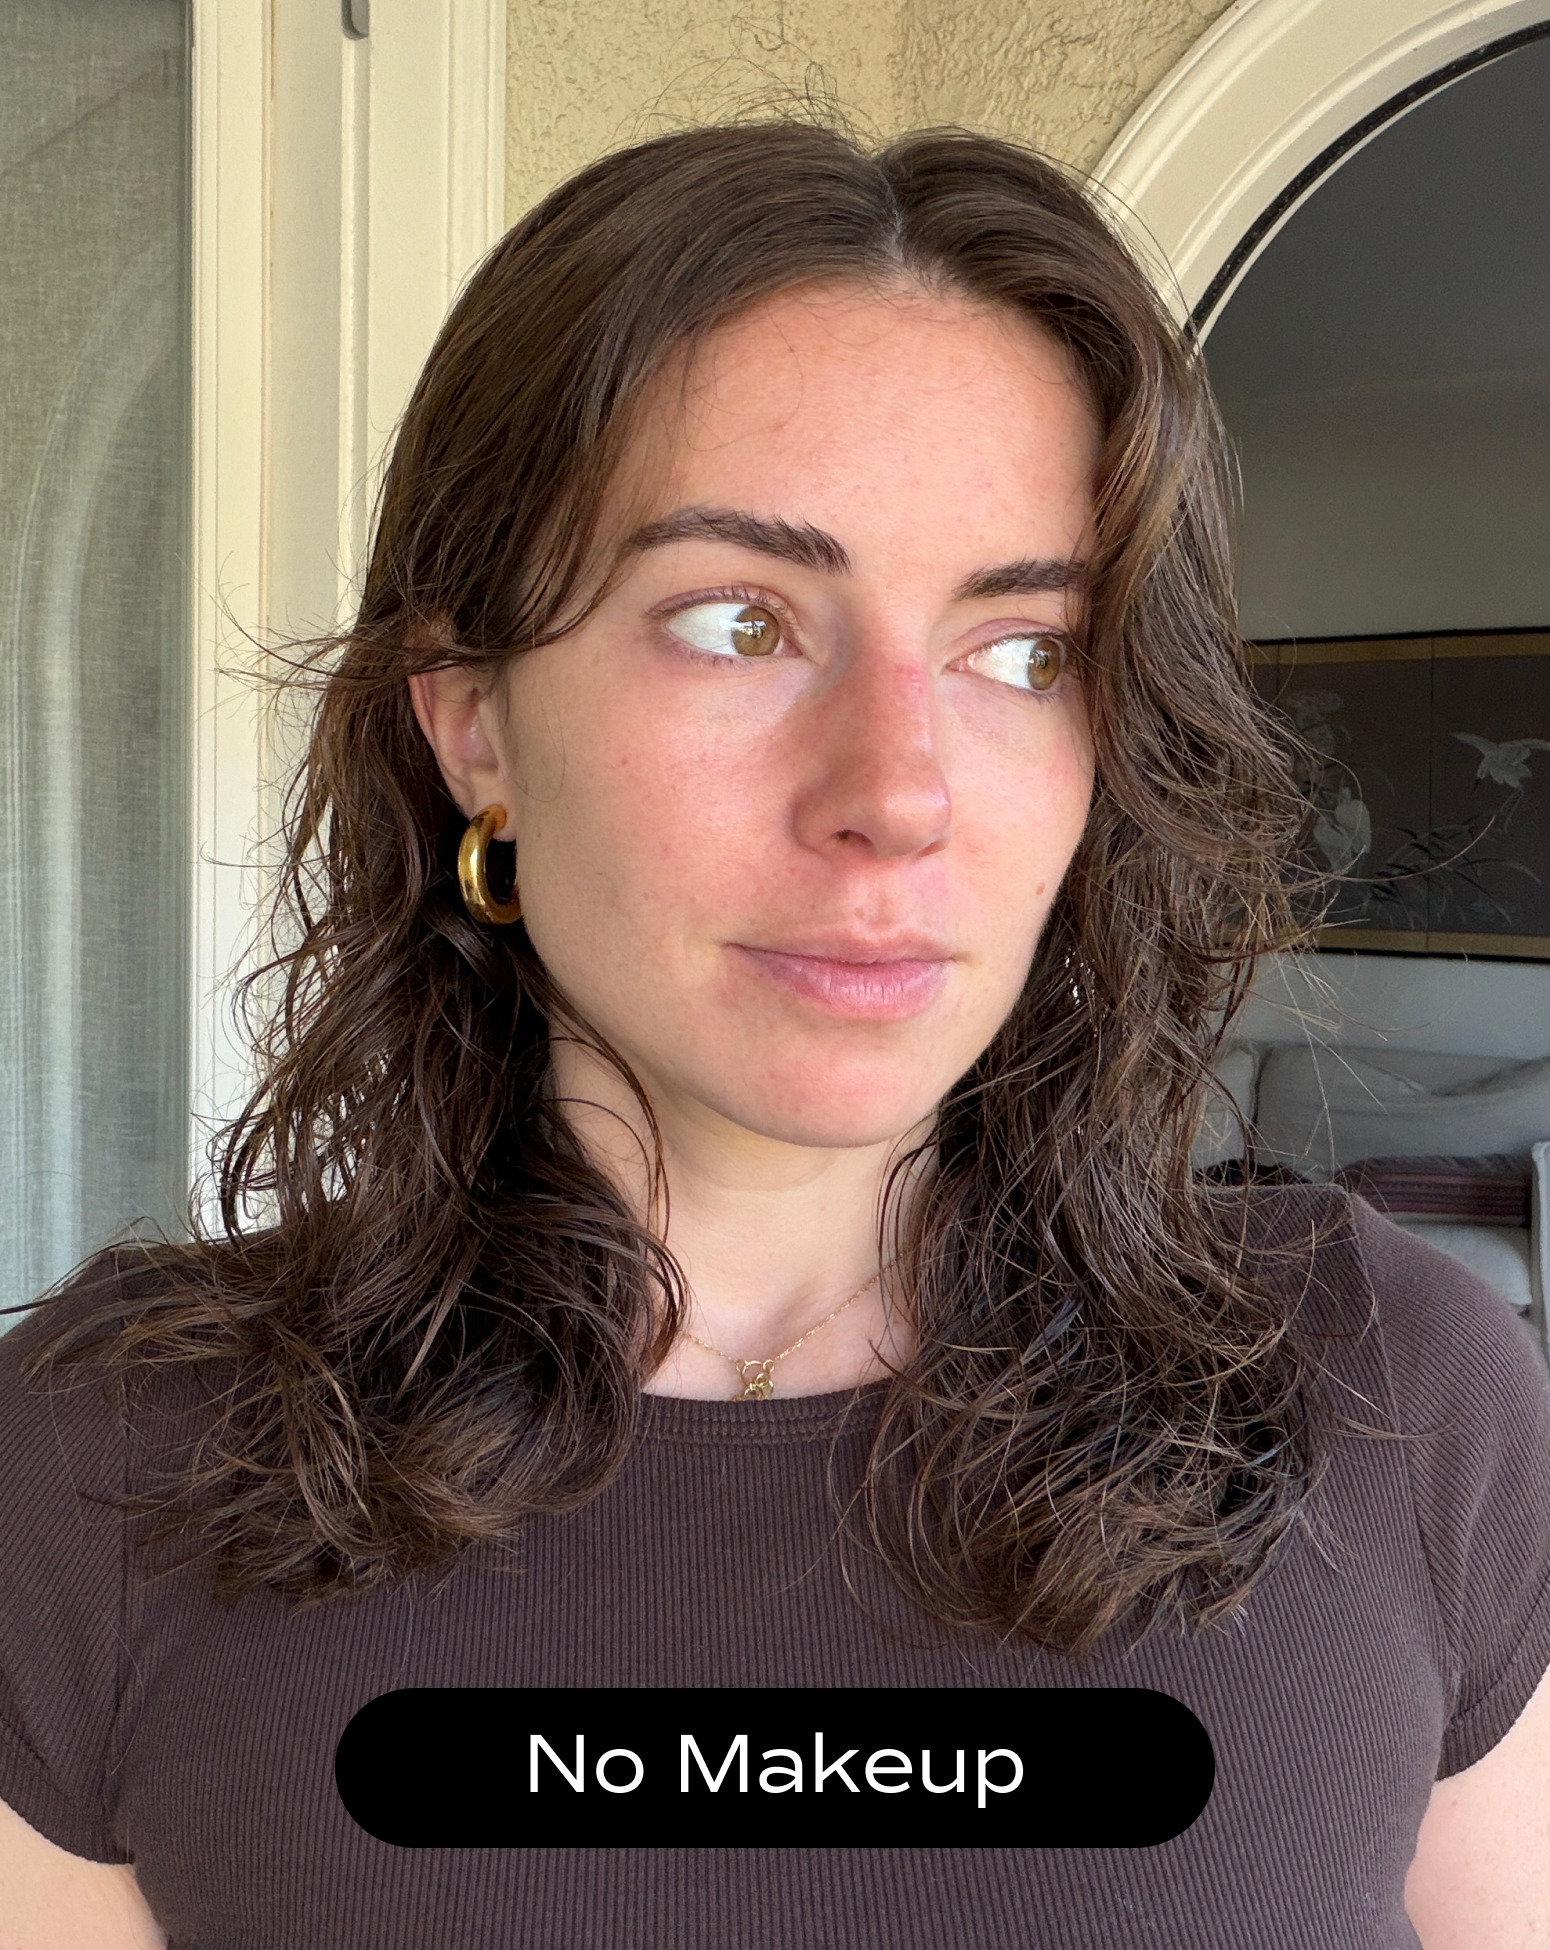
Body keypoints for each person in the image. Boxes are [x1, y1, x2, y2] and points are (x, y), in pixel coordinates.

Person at [2, 121, 1547, 1950]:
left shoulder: (1401, 1399)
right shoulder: (102, 1466)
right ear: (471, 721)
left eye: (1022, 648)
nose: (893, 794)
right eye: (737, 621)